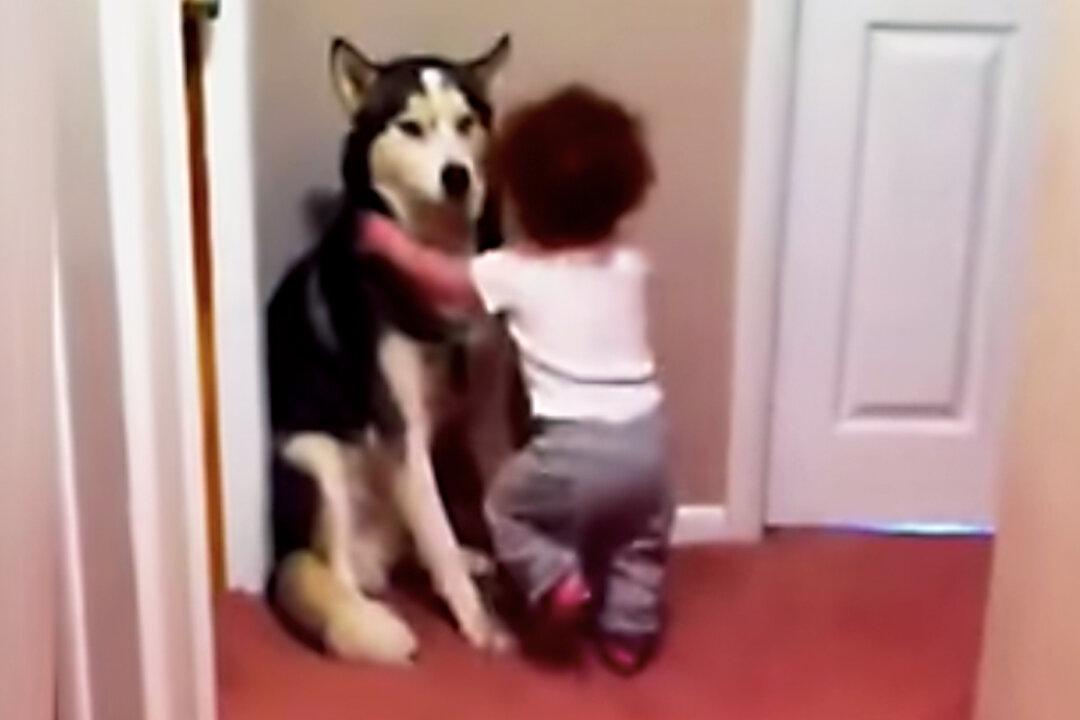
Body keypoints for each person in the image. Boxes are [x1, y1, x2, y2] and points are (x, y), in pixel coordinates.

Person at [360, 84, 671, 675]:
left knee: (508, 508)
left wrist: (390, 245)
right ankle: (629, 634)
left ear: (521, 198)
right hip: (648, 444)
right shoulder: (632, 264)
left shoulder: (514, 271)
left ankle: (555, 583)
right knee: (639, 542)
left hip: (573, 449)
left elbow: (443, 281)